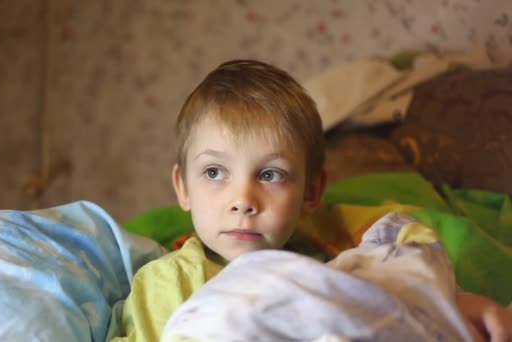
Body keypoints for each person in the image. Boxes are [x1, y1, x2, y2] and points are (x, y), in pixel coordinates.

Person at [111, 59, 511, 341]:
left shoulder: (332, 263)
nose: (243, 200)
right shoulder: (168, 281)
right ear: (182, 188)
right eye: (215, 173)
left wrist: (455, 306)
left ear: (311, 193)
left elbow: (401, 300)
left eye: (270, 175)